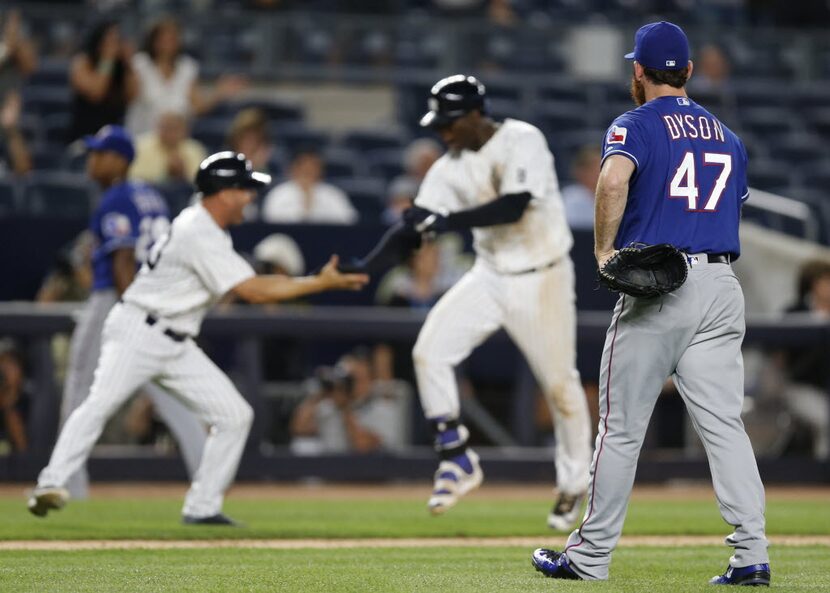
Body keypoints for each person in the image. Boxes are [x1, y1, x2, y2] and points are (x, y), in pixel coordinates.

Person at [530, 22, 770, 586]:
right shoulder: (727, 135)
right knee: (725, 428)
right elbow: (730, 204)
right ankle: (752, 555)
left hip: (663, 286)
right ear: (687, 71)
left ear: (638, 71)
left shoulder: (633, 123)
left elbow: (613, 182)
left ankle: (588, 558)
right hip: (720, 285)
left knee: (620, 429)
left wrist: (603, 251)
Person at [28, 151, 368, 524]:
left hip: (174, 341)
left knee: (235, 414)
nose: (250, 197)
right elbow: (255, 291)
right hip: (138, 331)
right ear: (223, 192)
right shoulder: (198, 229)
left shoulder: (205, 227)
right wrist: (319, 282)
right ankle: (50, 482)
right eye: (244, 189)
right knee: (98, 404)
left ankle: (203, 506)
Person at [347, 75, 592, 528]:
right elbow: (413, 230)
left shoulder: (522, 139)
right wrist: (366, 265)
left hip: (543, 278)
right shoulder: (447, 168)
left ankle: (576, 482)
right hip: (490, 274)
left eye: (450, 122)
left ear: (475, 115)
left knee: (560, 386)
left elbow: (514, 206)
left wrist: (448, 220)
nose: (443, 132)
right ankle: (456, 457)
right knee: (429, 352)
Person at [47, 125, 207, 500]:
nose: (92, 160)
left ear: (119, 160)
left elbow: (122, 263)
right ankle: (210, 481)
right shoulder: (151, 195)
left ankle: (70, 486)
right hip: (157, 302)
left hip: (117, 302)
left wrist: (132, 313)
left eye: (99, 153)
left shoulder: (115, 199)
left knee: (79, 389)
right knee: (172, 393)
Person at [126, 17, 246, 137]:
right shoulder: (139, 64)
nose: (167, 43)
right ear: (153, 40)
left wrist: (219, 93)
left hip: (176, 141)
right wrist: (128, 65)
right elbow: (131, 95)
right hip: (143, 138)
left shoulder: (187, 67)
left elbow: (197, 107)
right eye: (163, 39)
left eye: (172, 38)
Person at [290, 349, 411, 454]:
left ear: (369, 381)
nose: (350, 385)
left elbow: (363, 447)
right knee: (303, 445)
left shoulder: (383, 408)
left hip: (369, 475)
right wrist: (322, 393)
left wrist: (345, 409)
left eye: (357, 379)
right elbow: (299, 428)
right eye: (347, 379)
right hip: (331, 471)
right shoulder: (330, 404)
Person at [68, 21, 138, 143]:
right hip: (85, 134)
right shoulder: (83, 62)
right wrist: (107, 60)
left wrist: (128, 64)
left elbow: (133, 95)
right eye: (109, 41)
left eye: (117, 41)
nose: (114, 46)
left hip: (114, 132)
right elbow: (96, 93)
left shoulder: (122, 67)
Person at [261, 149, 358, 224]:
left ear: (321, 170)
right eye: (304, 166)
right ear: (293, 168)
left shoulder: (333, 194)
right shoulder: (278, 194)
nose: (308, 171)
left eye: (313, 167)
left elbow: (349, 221)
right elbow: (270, 221)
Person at [129, 111, 206, 184]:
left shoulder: (194, 149)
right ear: (157, 127)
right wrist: (166, 174)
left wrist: (182, 174)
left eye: (175, 129)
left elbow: (202, 182)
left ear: (185, 130)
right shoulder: (141, 146)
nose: (170, 133)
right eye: (166, 128)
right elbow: (134, 178)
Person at [0, 338, 30, 454]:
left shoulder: (30, 400)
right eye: (2, 362)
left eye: (11, 363)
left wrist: (8, 406)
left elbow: (25, 450)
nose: (4, 370)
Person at [560, 145, 600, 231]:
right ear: (580, 171)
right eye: (593, 168)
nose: (599, 173)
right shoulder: (569, 196)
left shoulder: (621, 196)